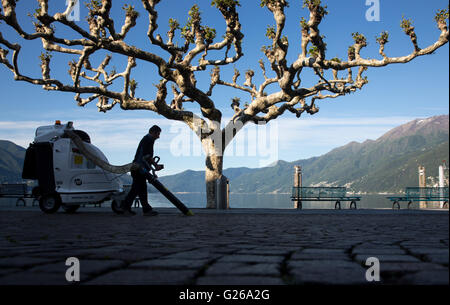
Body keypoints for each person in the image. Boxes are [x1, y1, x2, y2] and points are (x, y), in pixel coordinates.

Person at [121, 125, 163, 216]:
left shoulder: (146, 139)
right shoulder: (148, 140)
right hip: (139, 168)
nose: (158, 136)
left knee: (137, 189)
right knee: (141, 189)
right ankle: (145, 209)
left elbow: (146, 157)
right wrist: (156, 165)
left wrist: (153, 165)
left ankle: (126, 207)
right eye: (158, 134)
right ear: (153, 132)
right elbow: (147, 156)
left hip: (138, 168)